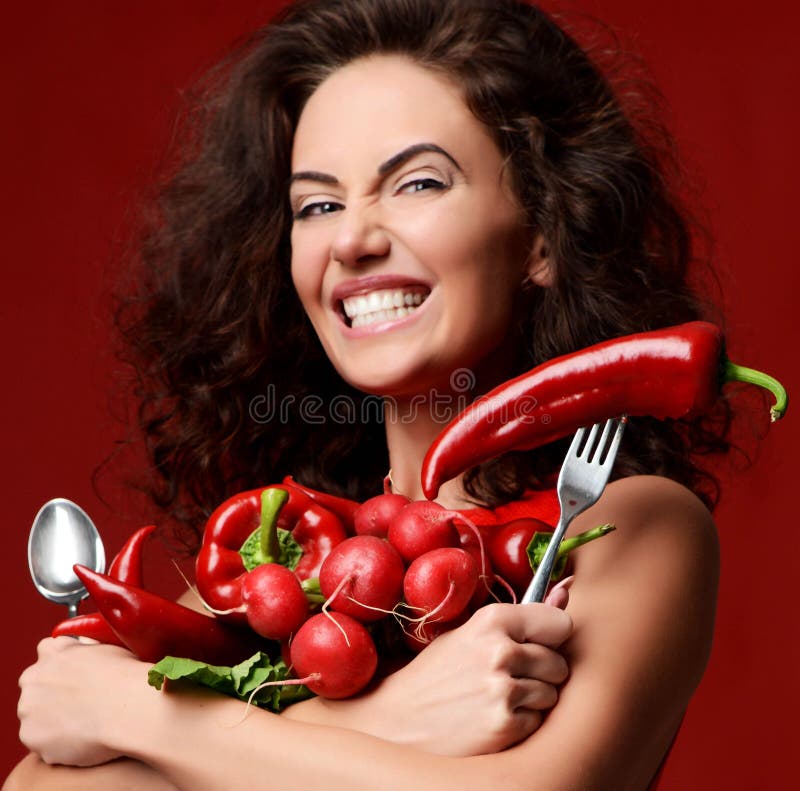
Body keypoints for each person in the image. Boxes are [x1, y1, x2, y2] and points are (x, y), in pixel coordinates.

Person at [9, 0, 729, 787]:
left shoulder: (617, 519)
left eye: (418, 183)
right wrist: (391, 721)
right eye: (318, 204)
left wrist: (140, 715)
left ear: (543, 237)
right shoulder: (283, 552)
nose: (352, 239)